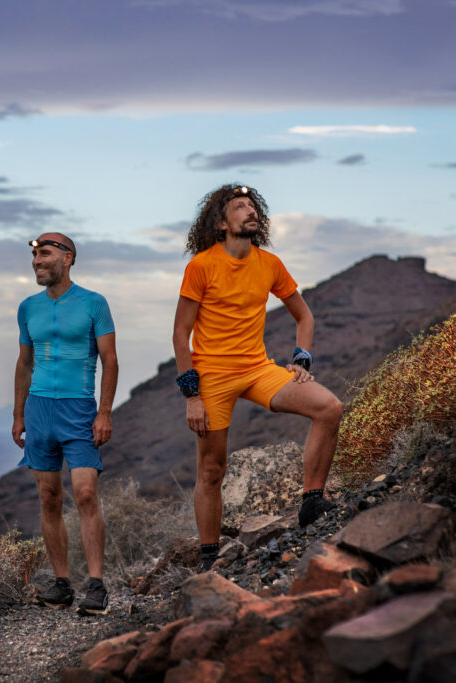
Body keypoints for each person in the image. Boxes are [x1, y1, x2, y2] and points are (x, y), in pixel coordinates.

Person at [172, 185, 343, 572]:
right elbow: (181, 333)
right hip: (212, 376)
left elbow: (304, 316)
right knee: (212, 469)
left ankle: (312, 503)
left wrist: (302, 358)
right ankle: (209, 557)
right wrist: (191, 395)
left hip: (257, 369)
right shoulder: (202, 266)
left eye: (252, 206)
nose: (250, 212)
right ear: (220, 222)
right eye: (239, 206)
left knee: (329, 408)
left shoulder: (270, 263)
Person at [12, 232, 118, 614]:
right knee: (48, 497)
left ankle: (97, 585)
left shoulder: (94, 303)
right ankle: (61, 585)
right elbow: (25, 363)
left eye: (45, 254)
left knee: (86, 493)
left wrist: (104, 412)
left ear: (67, 258)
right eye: (35, 257)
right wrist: (18, 413)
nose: (37, 261)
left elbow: (110, 360)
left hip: (78, 409)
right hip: (39, 409)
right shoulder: (28, 307)